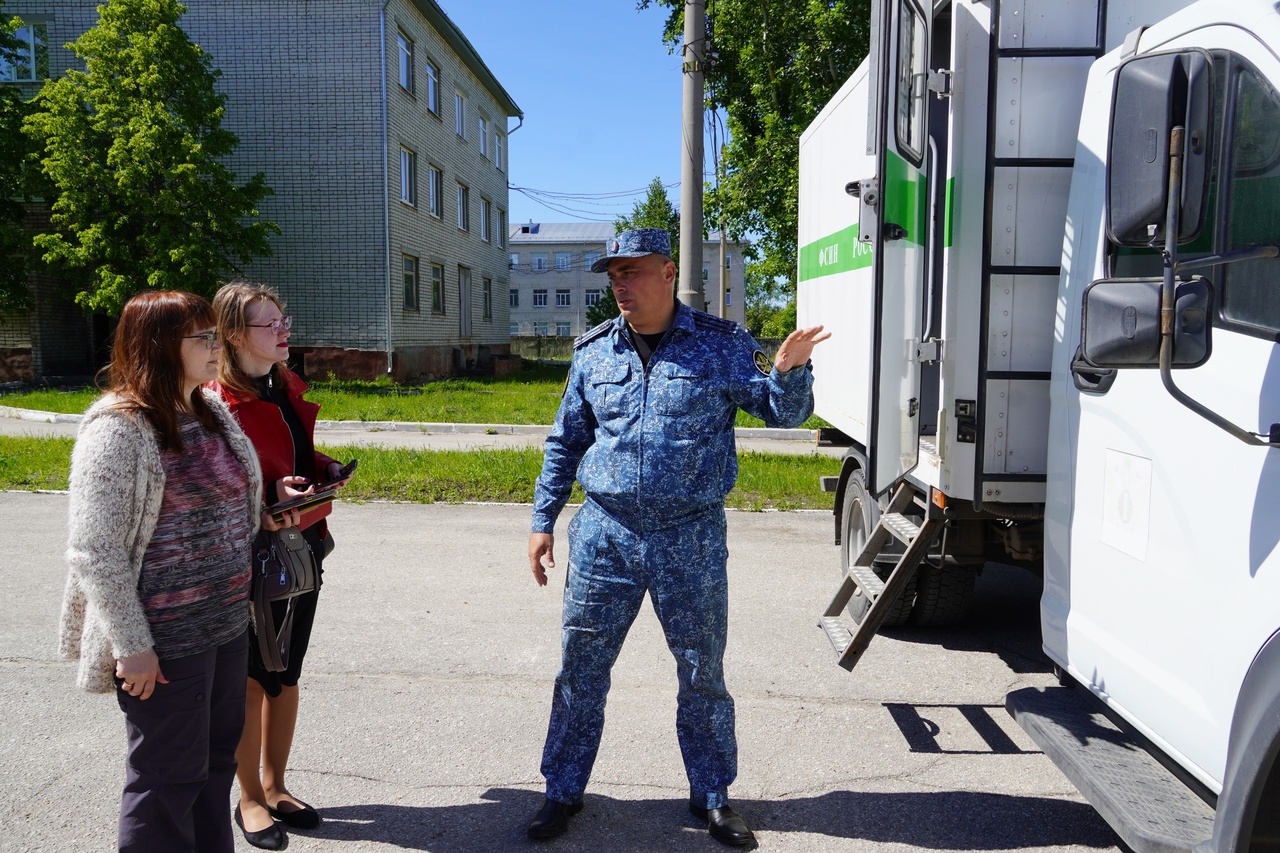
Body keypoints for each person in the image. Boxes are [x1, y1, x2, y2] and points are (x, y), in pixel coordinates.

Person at [526, 228, 830, 846]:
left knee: (701, 673)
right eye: (613, 275)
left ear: (667, 273)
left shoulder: (720, 346)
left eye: (632, 272)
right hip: (604, 535)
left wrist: (790, 370)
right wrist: (542, 519)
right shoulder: (594, 352)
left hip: (688, 538)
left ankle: (713, 797)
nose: (620, 285)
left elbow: (783, 412)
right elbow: (566, 440)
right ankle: (560, 792)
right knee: (579, 670)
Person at [59, 290, 281, 853]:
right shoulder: (119, 429)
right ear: (159, 346)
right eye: (202, 337)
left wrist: (266, 508)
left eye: (214, 335)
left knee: (213, 765)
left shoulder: (208, 408)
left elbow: (225, 497)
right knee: (165, 779)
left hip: (226, 627)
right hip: (162, 640)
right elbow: (95, 551)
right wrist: (131, 646)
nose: (216, 347)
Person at [210, 280, 348, 850]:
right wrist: (267, 502)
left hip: (300, 544)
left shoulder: (282, 384)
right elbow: (212, 490)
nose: (284, 329)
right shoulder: (217, 403)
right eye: (271, 323)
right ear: (236, 335)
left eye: (283, 318)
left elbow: (290, 450)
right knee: (248, 678)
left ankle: (277, 785)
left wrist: (323, 465)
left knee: (286, 671)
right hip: (250, 555)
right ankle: (247, 798)